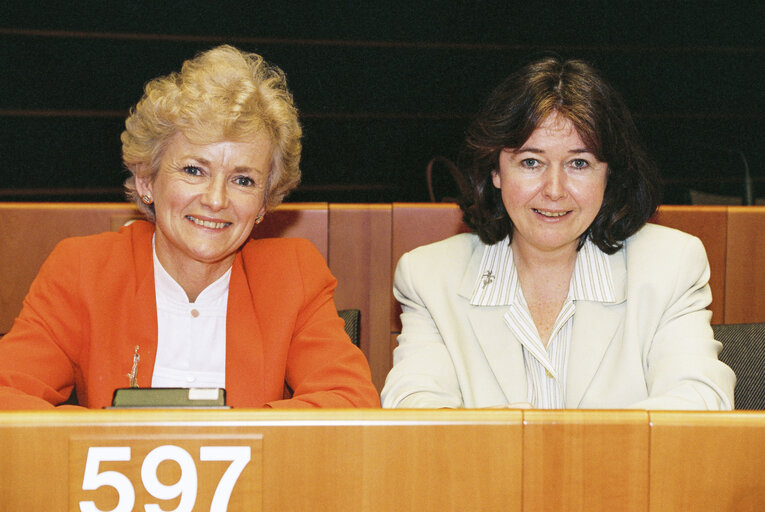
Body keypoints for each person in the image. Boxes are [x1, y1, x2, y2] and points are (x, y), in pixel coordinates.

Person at [0, 45, 379, 409]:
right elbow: (8, 397)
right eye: (194, 170)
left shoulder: (292, 277)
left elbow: (349, 403)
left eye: (243, 180)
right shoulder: (83, 270)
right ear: (148, 181)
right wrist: (113, 432)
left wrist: (222, 438)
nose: (216, 199)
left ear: (265, 202)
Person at [381, 57, 735, 410]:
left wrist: (553, 442)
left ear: (609, 175)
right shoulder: (430, 277)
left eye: (578, 163)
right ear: (496, 172)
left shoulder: (669, 267)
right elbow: (415, 412)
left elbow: (700, 402)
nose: (554, 190)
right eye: (531, 162)